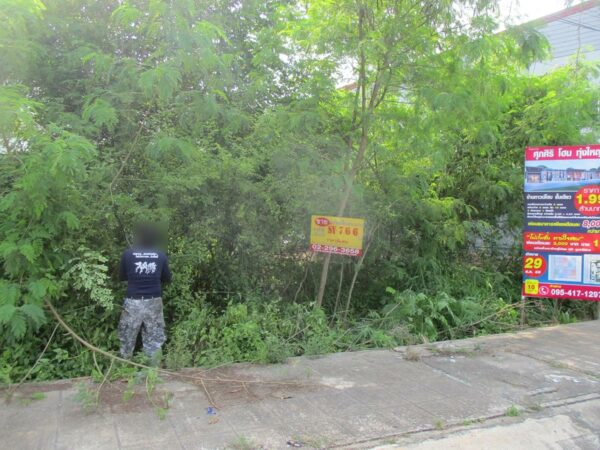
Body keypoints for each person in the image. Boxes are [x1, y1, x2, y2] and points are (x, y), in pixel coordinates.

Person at [118, 223, 172, 363]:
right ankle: (152, 371)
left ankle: (124, 369)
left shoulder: (128, 254)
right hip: (154, 300)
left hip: (133, 301)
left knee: (127, 336)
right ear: (154, 239)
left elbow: (122, 277)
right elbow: (167, 278)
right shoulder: (160, 255)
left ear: (138, 238)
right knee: (154, 338)